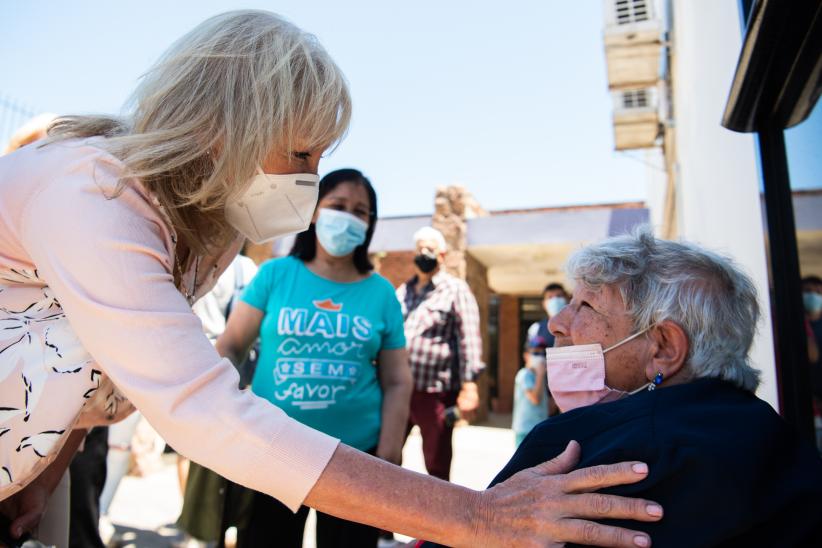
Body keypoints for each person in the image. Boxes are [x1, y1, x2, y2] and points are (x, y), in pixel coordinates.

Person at [0, 11, 666, 548]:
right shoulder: (97, 194)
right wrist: (479, 518)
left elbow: (92, 378)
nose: (309, 181)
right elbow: (208, 413)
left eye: (318, 157)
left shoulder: (207, 232)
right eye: (300, 152)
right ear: (222, 125)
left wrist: (45, 472)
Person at [483, 229, 822, 547]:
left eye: (586, 306)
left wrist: (478, 514)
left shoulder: (581, 443)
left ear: (663, 348)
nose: (556, 324)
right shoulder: (779, 438)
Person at [217, 168, 410, 547]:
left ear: (370, 225)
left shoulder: (381, 293)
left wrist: (390, 447)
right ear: (314, 211)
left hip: (357, 454)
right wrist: (223, 413)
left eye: (360, 211)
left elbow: (397, 378)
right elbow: (231, 346)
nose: (348, 217)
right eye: (337, 205)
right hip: (276, 448)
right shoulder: (275, 275)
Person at [177, 252, 258, 547]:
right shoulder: (245, 268)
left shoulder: (187, 255)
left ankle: (198, 527)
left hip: (194, 365)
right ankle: (204, 527)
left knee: (193, 454)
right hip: (221, 371)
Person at [395, 227, 482, 481]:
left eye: (430, 248)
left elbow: (469, 337)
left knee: (436, 463)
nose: (424, 253)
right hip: (399, 389)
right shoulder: (403, 291)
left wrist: (470, 386)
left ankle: (438, 516)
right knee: (386, 455)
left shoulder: (456, 289)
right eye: (420, 248)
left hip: (435, 392)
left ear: (442, 255)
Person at [527, 283, 568, 416]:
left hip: (574, 393)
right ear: (544, 303)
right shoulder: (536, 329)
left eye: (559, 296)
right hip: (545, 396)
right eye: (550, 297)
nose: (555, 300)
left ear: (567, 298)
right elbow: (532, 361)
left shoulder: (579, 326)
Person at [512, 342, 548, 447]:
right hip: (525, 430)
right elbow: (535, 399)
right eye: (536, 353)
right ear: (526, 355)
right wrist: (541, 374)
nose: (540, 357)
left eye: (543, 354)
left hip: (539, 428)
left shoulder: (539, 378)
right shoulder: (524, 374)